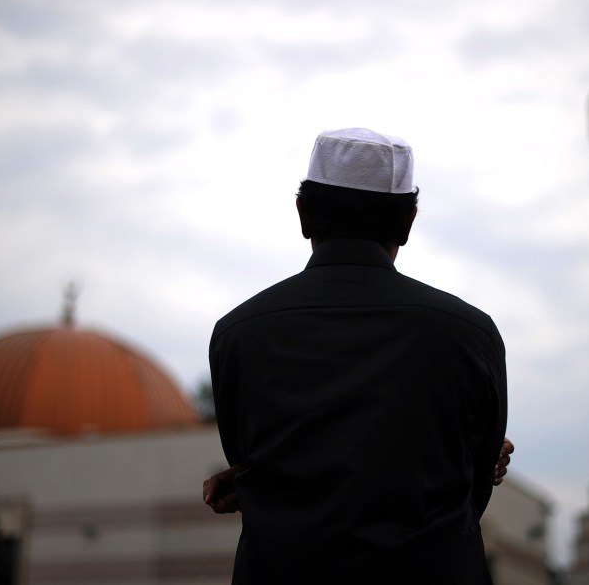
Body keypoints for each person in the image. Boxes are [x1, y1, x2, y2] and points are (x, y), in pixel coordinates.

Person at [206, 128, 510, 584]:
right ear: (407, 223)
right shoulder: (470, 333)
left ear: (303, 215)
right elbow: (475, 485)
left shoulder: (238, 333)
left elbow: (250, 458)